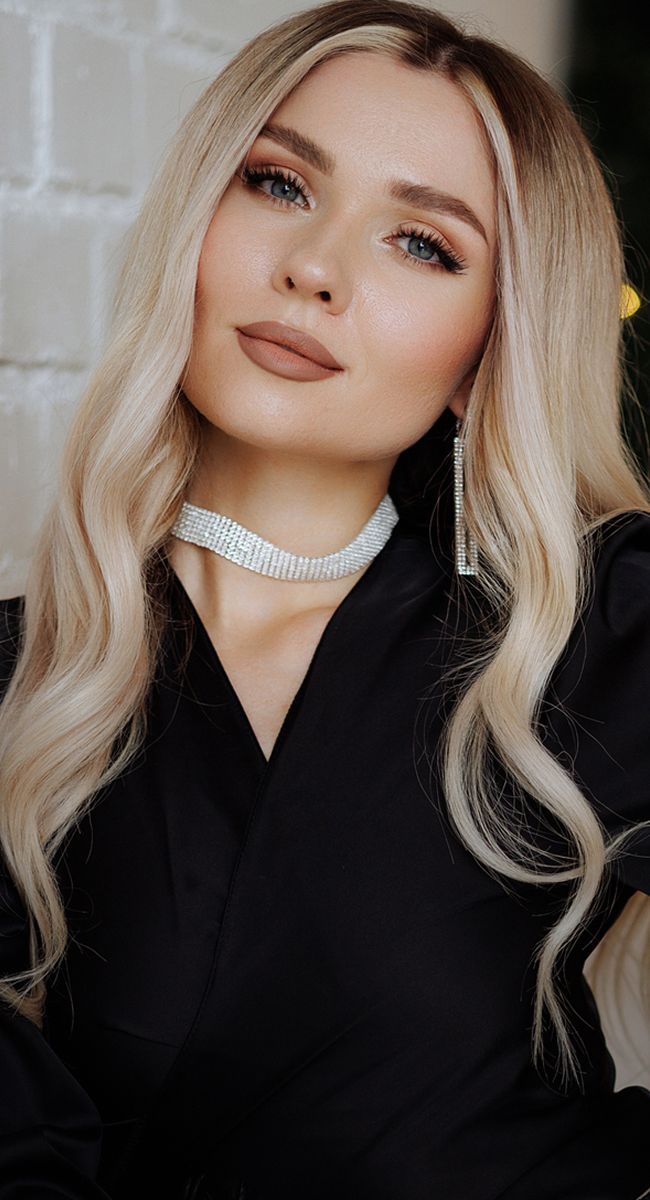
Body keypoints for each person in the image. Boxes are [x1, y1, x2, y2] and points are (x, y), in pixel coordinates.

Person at [0, 0, 649, 1196]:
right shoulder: (32, 681)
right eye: (280, 186)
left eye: (423, 244)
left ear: (490, 343)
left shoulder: (592, 631)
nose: (313, 269)